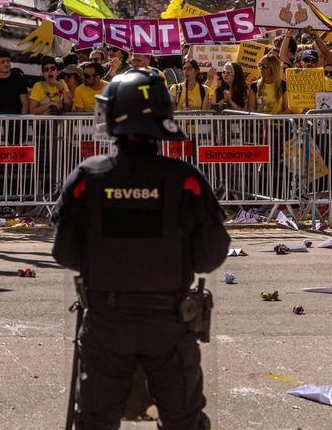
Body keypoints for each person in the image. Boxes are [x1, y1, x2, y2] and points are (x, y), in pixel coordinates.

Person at [52, 69, 230, 429]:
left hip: (106, 322)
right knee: (184, 421)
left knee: (95, 421)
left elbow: (65, 253)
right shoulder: (185, 180)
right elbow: (211, 255)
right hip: (169, 323)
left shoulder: (88, 177)